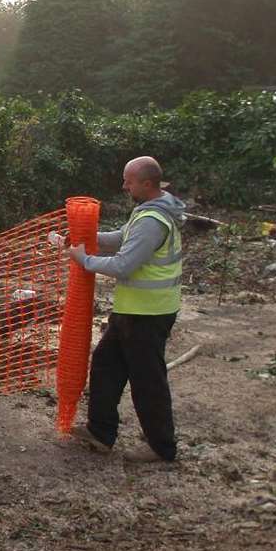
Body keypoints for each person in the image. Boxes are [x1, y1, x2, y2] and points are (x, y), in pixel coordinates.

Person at [65, 156, 186, 462]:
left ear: (147, 184)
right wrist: (82, 238)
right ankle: (100, 432)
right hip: (132, 311)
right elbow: (120, 238)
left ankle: (162, 447)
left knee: (147, 380)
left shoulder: (152, 221)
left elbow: (124, 264)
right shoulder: (147, 211)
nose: (123, 186)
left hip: (148, 314)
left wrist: (85, 261)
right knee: (106, 364)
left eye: (128, 181)